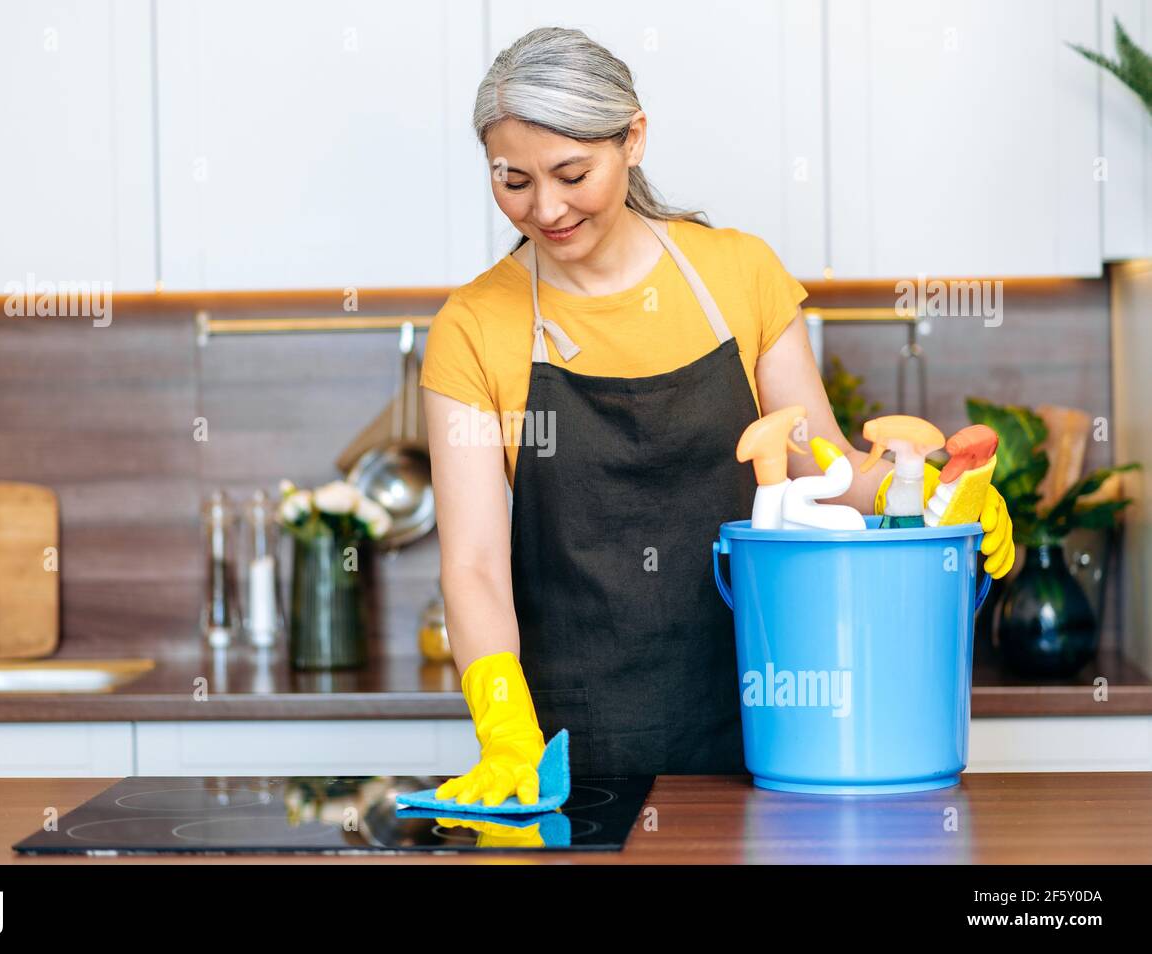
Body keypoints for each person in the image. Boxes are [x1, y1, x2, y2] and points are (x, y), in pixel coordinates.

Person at [419, 27, 1013, 806]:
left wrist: (928, 499)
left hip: (771, 714)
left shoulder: (739, 276)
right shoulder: (473, 327)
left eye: (571, 173)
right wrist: (505, 733)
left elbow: (822, 470)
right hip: (572, 748)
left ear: (632, 138)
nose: (547, 208)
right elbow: (472, 565)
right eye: (514, 180)